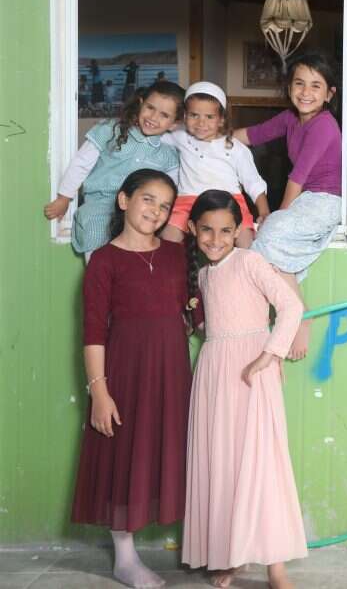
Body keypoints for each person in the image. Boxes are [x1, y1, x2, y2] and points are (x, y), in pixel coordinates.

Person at [70, 169, 192, 589]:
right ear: (124, 200)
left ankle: (203, 546)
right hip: (124, 373)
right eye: (148, 199)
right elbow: (92, 332)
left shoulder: (177, 255)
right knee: (123, 456)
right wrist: (99, 392)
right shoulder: (104, 261)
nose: (156, 211)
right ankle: (124, 559)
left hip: (172, 373)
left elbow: (195, 307)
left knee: (168, 451)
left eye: (165, 206)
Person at [182, 190, 306, 589]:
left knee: (262, 463)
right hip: (214, 369)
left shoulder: (250, 261)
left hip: (253, 370)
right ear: (193, 229)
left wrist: (269, 355)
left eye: (225, 230)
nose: (215, 239)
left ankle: (276, 569)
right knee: (222, 463)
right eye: (207, 230)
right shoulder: (203, 275)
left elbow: (291, 307)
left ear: (238, 231)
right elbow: (217, 321)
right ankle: (230, 555)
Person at [232, 52, 344, 360]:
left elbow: (297, 177)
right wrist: (214, 140)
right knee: (261, 244)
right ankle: (287, 311)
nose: (305, 92)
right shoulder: (289, 119)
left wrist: (278, 216)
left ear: (329, 94)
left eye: (315, 86)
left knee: (269, 233)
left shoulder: (323, 125)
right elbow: (251, 135)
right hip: (307, 199)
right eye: (299, 84)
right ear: (289, 86)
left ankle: (300, 315)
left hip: (325, 201)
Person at [43, 81, 184, 261]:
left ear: (174, 124)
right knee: (95, 228)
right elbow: (81, 163)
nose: (154, 117)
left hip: (140, 209)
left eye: (164, 115)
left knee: (143, 240)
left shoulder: (168, 154)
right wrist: (64, 197)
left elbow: (172, 190)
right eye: (150, 108)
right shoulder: (110, 130)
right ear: (141, 103)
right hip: (101, 204)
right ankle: (99, 274)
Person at [161, 81, 269, 248]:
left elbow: (253, 182)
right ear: (185, 116)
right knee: (168, 239)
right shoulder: (180, 137)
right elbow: (155, 135)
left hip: (230, 201)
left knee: (246, 243)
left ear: (221, 119)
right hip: (188, 201)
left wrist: (264, 212)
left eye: (209, 117)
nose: (201, 123)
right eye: (194, 115)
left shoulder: (235, 148)